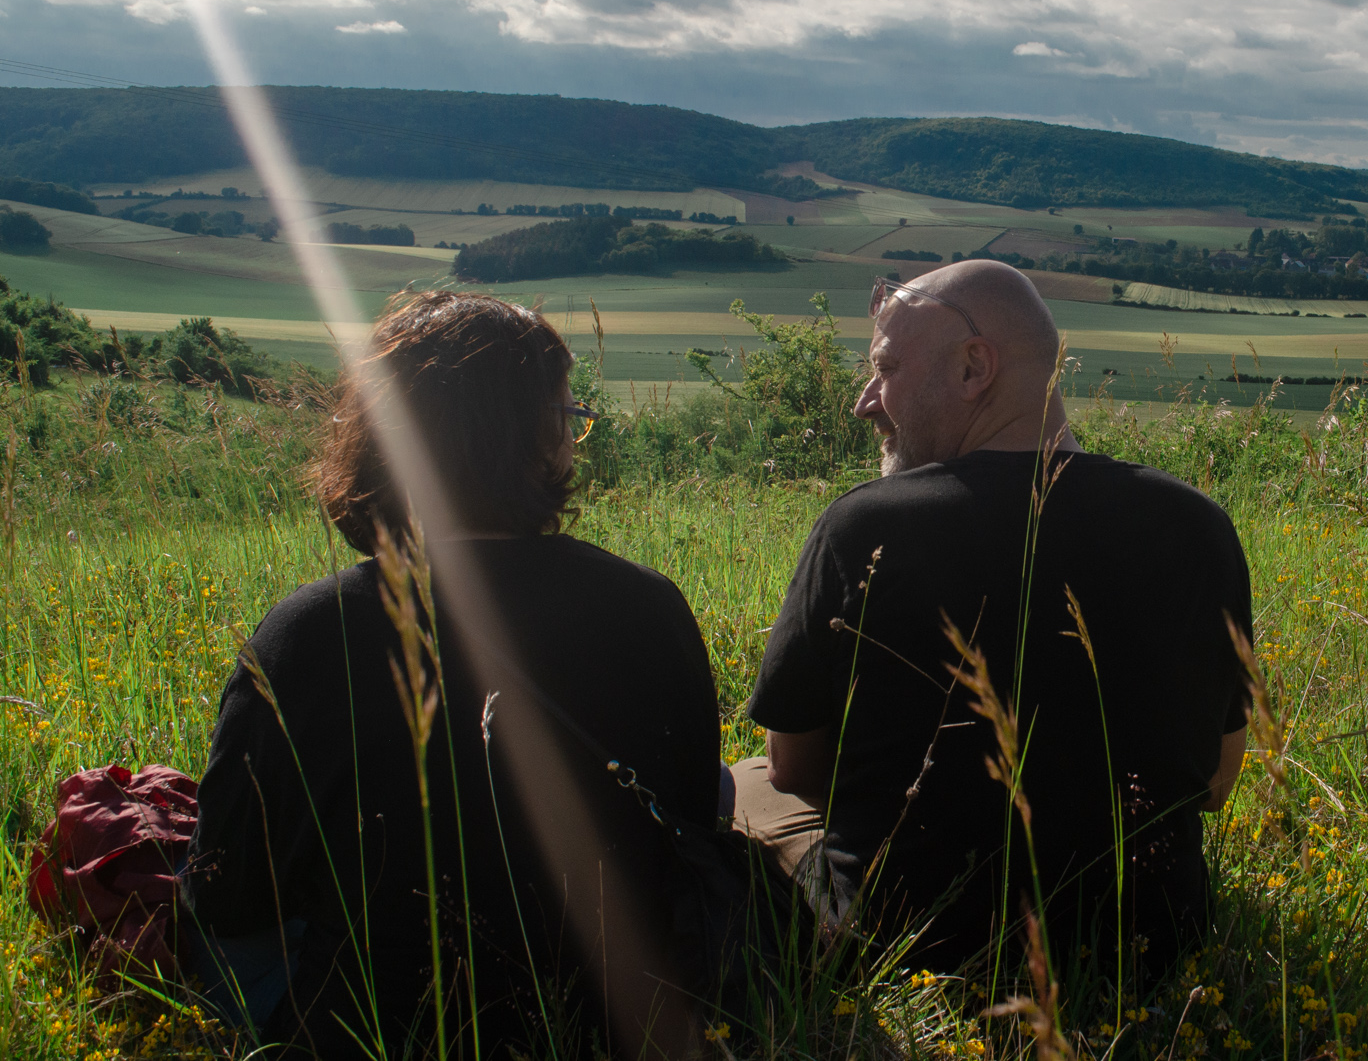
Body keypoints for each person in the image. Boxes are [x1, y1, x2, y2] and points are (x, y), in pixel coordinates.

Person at [181, 292, 723, 1058]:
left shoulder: (305, 633)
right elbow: (691, 823)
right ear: (540, 440)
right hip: (609, 1022)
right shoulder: (650, 606)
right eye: (569, 418)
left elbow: (226, 896)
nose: (574, 440)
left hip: (370, 1032)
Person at [736, 261, 1252, 973]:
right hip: (1147, 948)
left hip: (904, 944)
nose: (865, 403)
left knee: (742, 783)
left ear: (974, 367)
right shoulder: (1198, 527)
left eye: (885, 369)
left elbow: (793, 766)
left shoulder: (864, 527)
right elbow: (1217, 782)